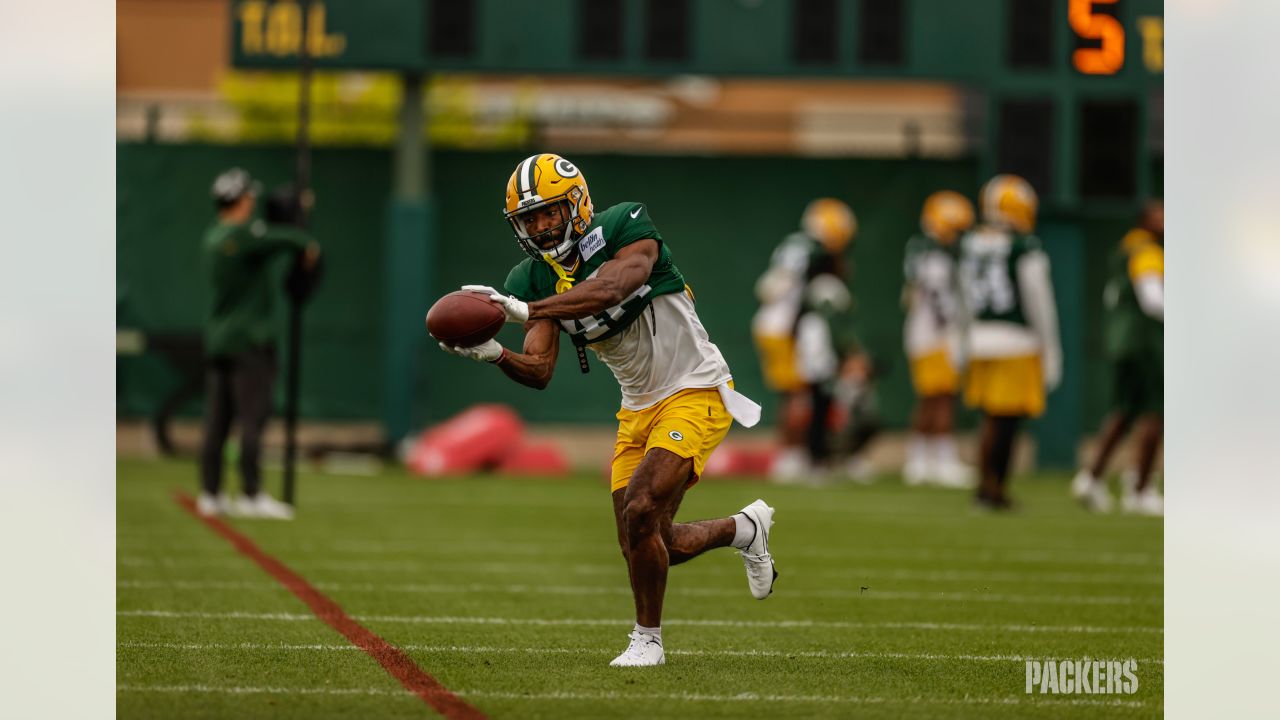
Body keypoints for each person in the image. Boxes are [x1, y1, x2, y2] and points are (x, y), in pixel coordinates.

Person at [439, 153, 774, 667]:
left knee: (641, 507)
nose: (541, 226)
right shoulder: (530, 278)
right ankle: (744, 529)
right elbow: (540, 369)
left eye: (549, 213)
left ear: (576, 205)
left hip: (696, 387)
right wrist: (494, 353)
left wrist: (528, 311)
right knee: (648, 537)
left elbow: (617, 285)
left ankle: (648, 641)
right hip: (637, 406)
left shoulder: (624, 225)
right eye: (529, 219)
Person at [197, 168, 320, 519]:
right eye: (249, 195)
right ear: (240, 198)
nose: (253, 201)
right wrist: (303, 224)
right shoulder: (241, 235)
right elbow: (292, 241)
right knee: (253, 419)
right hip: (249, 340)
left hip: (219, 339)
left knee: (217, 422)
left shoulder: (212, 236)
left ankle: (211, 492)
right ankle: (251, 494)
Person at [958, 175, 1061, 510]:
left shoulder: (970, 242)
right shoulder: (1025, 247)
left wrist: (962, 341)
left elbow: (962, 298)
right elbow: (1039, 302)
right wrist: (1051, 350)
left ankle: (984, 485)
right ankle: (995, 488)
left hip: (978, 338)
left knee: (989, 419)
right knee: (1006, 421)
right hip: (1015, 340)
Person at [751, 199, 856, 481]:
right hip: (782, 326)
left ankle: (793, 455)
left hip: (775, 323)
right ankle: (790, 456)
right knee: (796, 394)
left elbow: (767, 287)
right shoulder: (811, 250)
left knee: (794, 394)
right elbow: (779, 290)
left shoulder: (795, 244)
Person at [1072, 200, 1164, 515]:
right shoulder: (1147, 251)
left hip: (1123, 341)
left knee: (1124, 412)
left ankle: (1091, 478)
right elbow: (1153, 300)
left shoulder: (1124, 249)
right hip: (1146, 343)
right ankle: (1140, 488)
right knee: (1156, 413)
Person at [901, 191, 976, 488]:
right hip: (934, 334)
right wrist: (951, 332)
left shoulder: (921, 249)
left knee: (933, 398)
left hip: (924, 333)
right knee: (940, 398)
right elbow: (936, 298)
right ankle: (937, 459)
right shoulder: (932, 254)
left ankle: (923, 459)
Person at [794, 273, 880, 481]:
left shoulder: (830, 325)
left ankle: (848, 459)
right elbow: (814, 360)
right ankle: (817, 461)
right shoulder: (812, 323)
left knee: (862, 414)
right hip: (821, 379)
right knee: (819, 418)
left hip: (833, 379)